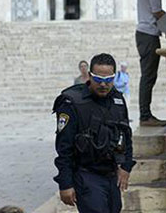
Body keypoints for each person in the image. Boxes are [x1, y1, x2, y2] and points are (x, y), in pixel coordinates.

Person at [53, 53, 136, 213]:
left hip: (111, 174)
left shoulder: (117, 100)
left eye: (108, 80)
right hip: (86, 174)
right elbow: (64, 147)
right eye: (98, 79)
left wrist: (126, 166)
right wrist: (65, 184)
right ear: (90, 76)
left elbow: (126, 135)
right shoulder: (72, 102)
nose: (103, 85)